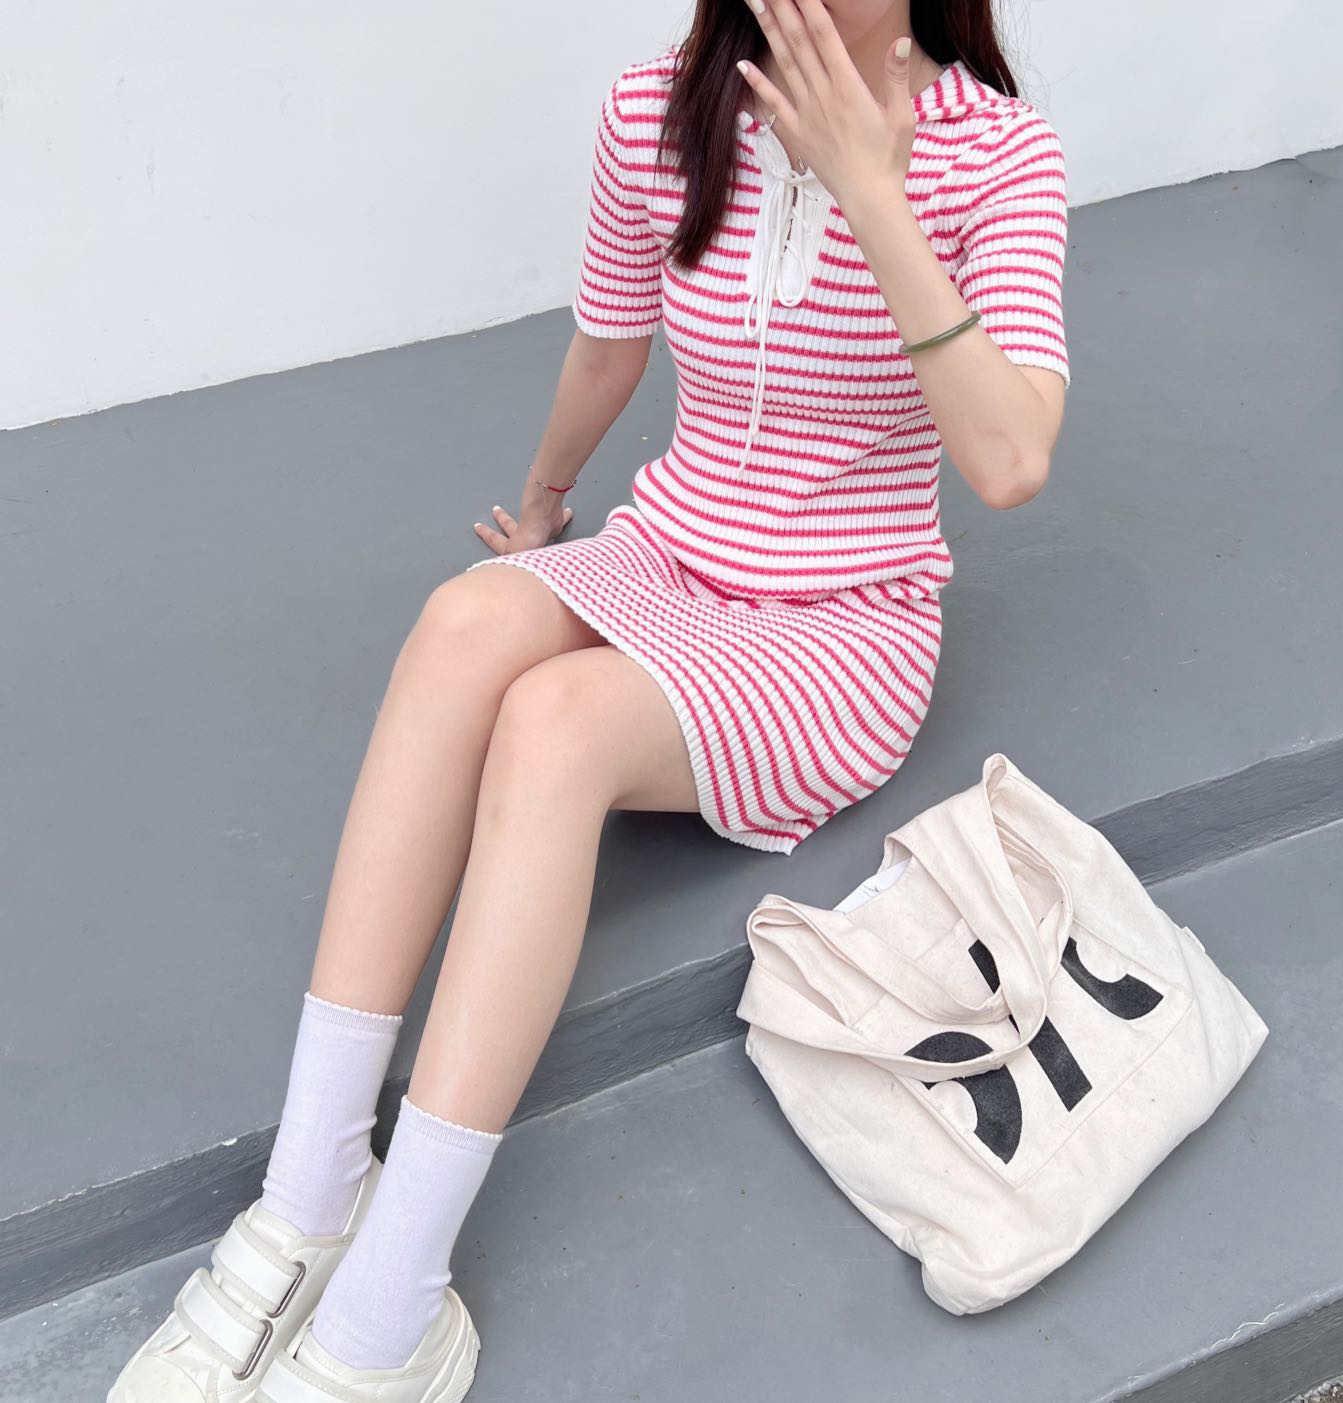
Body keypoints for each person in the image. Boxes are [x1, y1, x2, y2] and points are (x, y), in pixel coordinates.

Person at [108, 0, 1069, 1397]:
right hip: (670, 548)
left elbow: (1012, 459)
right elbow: (611, 342)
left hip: (843, 623)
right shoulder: (658, 111)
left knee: (552, 727)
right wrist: (548, 502)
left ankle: (396, 1300)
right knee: (465, 619)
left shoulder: (997, 153)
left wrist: (872, 185)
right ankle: (307, 1196)